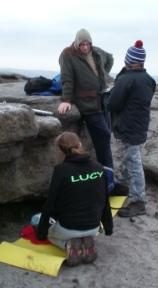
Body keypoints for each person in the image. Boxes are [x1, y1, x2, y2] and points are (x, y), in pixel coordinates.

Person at [57, 28, 125, 194]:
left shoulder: (96, 52)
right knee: (103, 136)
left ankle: (107, 178)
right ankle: (108, 182)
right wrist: (66, 100)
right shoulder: (67, 55)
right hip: (86, 104)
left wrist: (103, 74)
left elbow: (110, 57)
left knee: (105, 135)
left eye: (88, 44)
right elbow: (67, 78)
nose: (85, 47)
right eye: (82, 44)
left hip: (102, 100)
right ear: (77, 42)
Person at [36, 131, 113, 266]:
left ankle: (68, 245)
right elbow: (105, 200)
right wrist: (108, 227)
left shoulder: (61, 170)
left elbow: (50, 204)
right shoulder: (98, 167)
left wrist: (41, 233)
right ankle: (86, 244)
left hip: (68, 227)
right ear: (80, 144)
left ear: (61, 151)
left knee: (36, 220)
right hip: (94, 227)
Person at [107, 40, 156, 217]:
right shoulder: (149, 80)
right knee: (131, 159)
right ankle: (128, 189)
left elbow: (113, 103)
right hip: (140, 126)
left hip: (128, 127)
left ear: (128, 60)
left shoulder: (126, 79)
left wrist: (107, 97)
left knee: (133, 163)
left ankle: (138, 202)